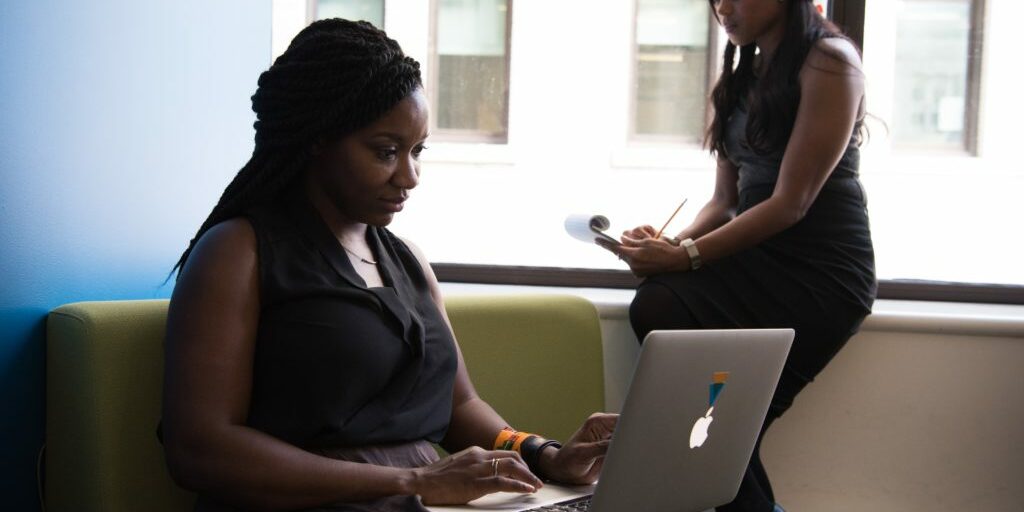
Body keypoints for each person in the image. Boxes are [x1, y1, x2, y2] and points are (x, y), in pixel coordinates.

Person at [160, 19, 615, 512]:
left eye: (417, 151)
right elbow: (199, 450)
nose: (410, 176)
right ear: (318, 138)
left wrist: (543, 454)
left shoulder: (407, 260)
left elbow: (460, 408)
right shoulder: (237, 250)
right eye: (386, 152)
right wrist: (410, 480)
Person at [600, 1, 875, 511]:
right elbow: (724, 202)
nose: (722, 6)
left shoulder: (831, 63)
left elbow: (790, 204)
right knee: (660, 311)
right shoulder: (741, 76)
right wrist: (668, 245)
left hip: (821, 276)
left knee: (722, 434)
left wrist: (683, 257)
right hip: (756, 259)